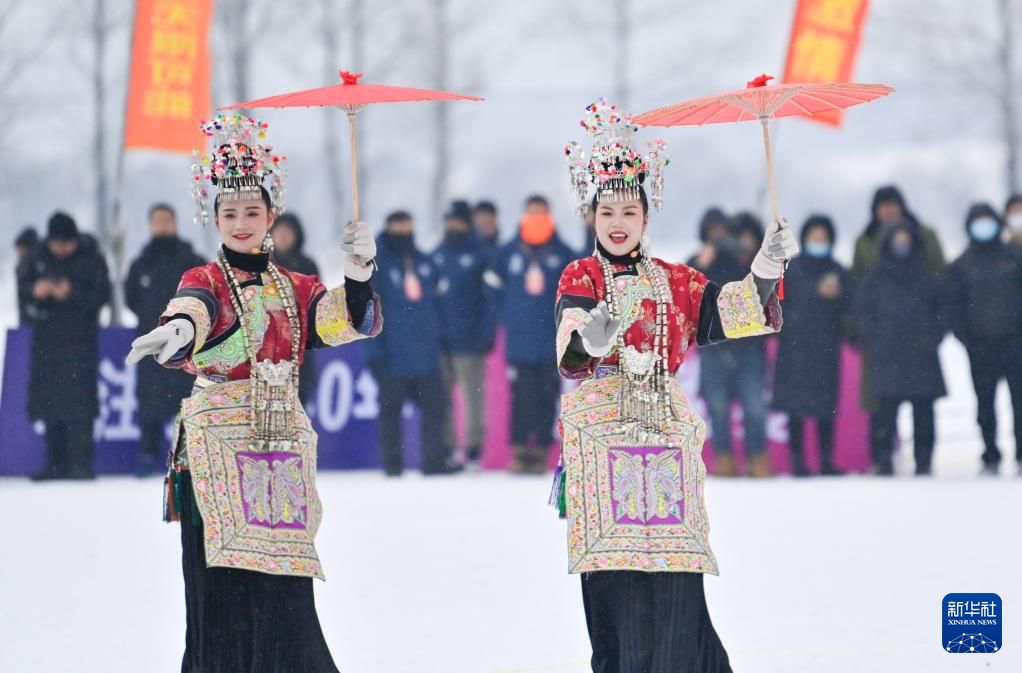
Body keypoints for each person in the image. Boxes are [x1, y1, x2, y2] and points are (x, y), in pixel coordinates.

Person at [124, 114, 382, 673]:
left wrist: (359, 274)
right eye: (229, 213)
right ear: (214, 218)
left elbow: (344, 321)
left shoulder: (296, 287)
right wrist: (177, 331)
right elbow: (194, 310)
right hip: (216, 453)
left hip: (278, 454)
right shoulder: (205, 279)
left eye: (251, 212)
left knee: (285, 591)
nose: (240, 224)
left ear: (271, 215)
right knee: (221, 595)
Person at [556, 99, 796, 673]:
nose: (617, 222)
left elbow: (734, 312)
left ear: (647, 216)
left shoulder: (677, 280)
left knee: (675, 574)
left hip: (664, 439)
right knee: (617, 578)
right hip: (603, 443)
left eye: (629, 210)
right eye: (606, 211)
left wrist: (765, 269)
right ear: (592, 215)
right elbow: (570, 349)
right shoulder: (580, 276)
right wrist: (591, 340)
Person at [364, 210, 460, 476]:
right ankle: (392, 465)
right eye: (397, 225)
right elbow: (366, 309)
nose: (402, 230)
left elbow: (439, 306)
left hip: (427, 355)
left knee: (436, 410)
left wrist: (444, 341)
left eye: (406, 224)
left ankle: (435, 461)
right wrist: (373, 353)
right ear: (388, 227)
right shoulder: (376, 266)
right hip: (392, 355)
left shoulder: (424, 262)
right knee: (390, 413)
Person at [21, 212, 111, 480]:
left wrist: (72, 293)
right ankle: (54, 463)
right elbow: (22, 288)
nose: (60, 249)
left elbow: (102, 295)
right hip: (47, 343)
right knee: (50, 404)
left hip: (80, 342)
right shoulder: (36, 256)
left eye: (65, 244)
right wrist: (36, 291)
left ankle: (80, 462)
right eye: (56, 244)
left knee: (81, 406)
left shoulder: (91, 257)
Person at [855, 221, 946, 476]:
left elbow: (942, 309)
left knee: (924, 410)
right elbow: (863, 312)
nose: (902, 244)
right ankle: (883, 460)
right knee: (884, 411)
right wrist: (876, 338)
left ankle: (924, 461)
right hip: (886, 354)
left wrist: (932, 336)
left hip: (922, 354)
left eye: (906, 239)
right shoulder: (874, 278)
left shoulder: (925, 275)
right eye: (897, 239)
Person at [493, 194, 575, 473]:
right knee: (521, 397)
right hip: (519, 340)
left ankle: (540, 451)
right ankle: (518, 451)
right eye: (532, 213)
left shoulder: (563, 253)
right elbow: (493, 290)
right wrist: (506, 316)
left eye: (542, 213)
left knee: (547, 397)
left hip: (553, 340)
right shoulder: (508, 253)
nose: (537, 218)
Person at [125, 203, 206, 476]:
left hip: (186, 344)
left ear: (175, 222)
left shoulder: (190, 259)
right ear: (150, 225)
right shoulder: (141, 263)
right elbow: (131, 298)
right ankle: (148, 454)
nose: (162, 225)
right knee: (149, 401)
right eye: (157, 221)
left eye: (166, 220)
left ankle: (188, 454)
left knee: (185, 401)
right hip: (151, 341)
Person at [689, 210, 772, 477]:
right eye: (711, 231)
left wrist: (748, 255)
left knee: (754, 406)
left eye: (721, 230)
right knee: (718, 408)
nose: (717, 236)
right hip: (714, 349)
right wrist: (699, 264)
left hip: (748, 347)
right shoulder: (699, 260)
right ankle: (724, 459)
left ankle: (757, 459)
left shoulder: (743, 259)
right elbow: (685, 291)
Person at [772, 215, 853, 476]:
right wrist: (812, 295)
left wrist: (837, 296)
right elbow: (778, 302)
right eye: (814, 237)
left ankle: (826, 459)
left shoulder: (838, 271)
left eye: (823, 238)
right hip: (795, 348)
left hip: (826, 349)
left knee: (826, 407)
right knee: (795, 407)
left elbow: (850, 305)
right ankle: (797, 460)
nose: (818, 242)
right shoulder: (790, 269)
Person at [947, 204, 1022, 475]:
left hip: (1015, 345)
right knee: (985, 405)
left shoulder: (1015, 257)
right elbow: (953, 307)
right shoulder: (961, 265)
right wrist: (967, 338)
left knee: (1020, 403)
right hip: (980, 347)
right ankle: (990, 453)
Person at [434, 200, 497, 467]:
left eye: (457, 220)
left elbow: (491, 299)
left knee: (473, 397)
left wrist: (486, 332)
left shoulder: (481, 255)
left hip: (470, 339)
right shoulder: (438, 255)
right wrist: (435, 332)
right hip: (443, 340)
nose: (453, 225)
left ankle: (473, 449)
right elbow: (431, 300)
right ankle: (448, 449)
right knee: (443, 399)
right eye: (449, 220)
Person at [270, 212, 322, 406]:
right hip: (267, 352)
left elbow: (316, 304)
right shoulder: (261, 265)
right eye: (279, 232)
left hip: (299, 350)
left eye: (288, 232)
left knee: (298, 405)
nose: (283, 237)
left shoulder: (306, 266)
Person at [14, 227, 39, 325]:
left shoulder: (41, 267)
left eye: (22, 250)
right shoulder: (20, 267)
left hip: (39, 323)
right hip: (25, 321)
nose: (19, 254)